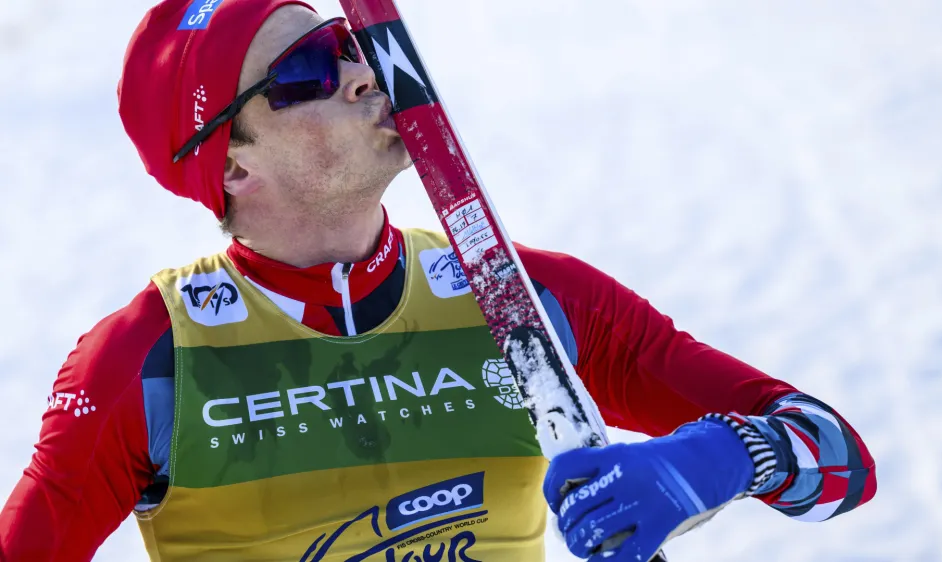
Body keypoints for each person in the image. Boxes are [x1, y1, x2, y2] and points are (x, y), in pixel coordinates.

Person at [0, 1, 877, 561]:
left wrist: (720, 458)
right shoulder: (152, 363)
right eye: (304, 73)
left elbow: (839, 457)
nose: (358, 73)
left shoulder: (526, 302)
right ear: (230, 168)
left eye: (345, 44)